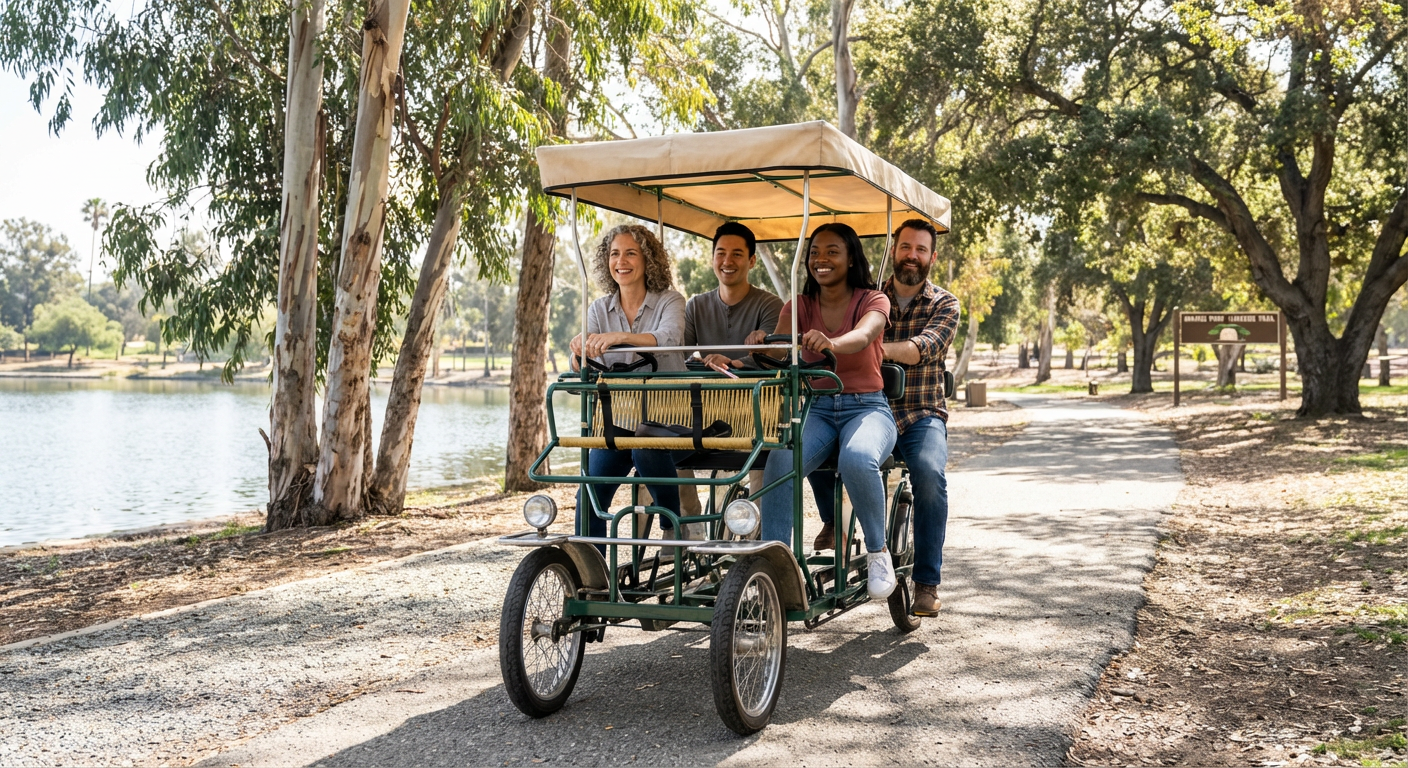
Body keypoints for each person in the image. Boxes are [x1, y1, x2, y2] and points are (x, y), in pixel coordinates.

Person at [807, 219, 959, 616]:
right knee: (814, 449)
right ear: (893, 250)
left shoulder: (945, 304)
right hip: (862, 406)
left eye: (920, 249)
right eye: (905, 246)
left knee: (929, 475)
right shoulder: (867, 294)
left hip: (920, 413)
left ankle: (926, 581)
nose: (912, 255)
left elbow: (919, 349)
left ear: (931, 257)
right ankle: (832, 522)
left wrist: (868, 344)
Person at [757, 222, 899, 599]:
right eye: (815, 252)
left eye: (832, 251)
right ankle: (774, 564)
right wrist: (758, 344)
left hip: (867, 407)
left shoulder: (873, 299)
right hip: (817, 407)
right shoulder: (799, 306)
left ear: (851, 258)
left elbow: (864, 336)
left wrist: (830, 341)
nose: (821, 259)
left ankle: (877, 551)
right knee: (781, 459)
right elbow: (777, 349)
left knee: (856, 458)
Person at [569, 223, 687, 541]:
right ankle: (592, 575)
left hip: (669, 416)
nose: (622, 261)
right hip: (619, 418)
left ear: (648, 259)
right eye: (615, 254)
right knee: (590, 493)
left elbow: (669, 339)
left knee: (645, 446)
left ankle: (672, 527)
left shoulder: (670, 301)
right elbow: (586, 363)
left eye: (631, 253)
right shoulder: (598, 308)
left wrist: (622, 337)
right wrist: (579, 352)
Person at [678, 222, 785, 525]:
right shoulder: (696, 306)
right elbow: (681, 355)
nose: (727, 261)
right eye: (721, 253)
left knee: (767, 448)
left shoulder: (769, 304)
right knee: (660, 436)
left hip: (756, 407)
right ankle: (690, 519)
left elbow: (778, 355)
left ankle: (757, 529)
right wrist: (700, 361)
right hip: (706, 407)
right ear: (712, 258)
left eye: (737, 254)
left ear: (751, 261)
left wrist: (736, 362)